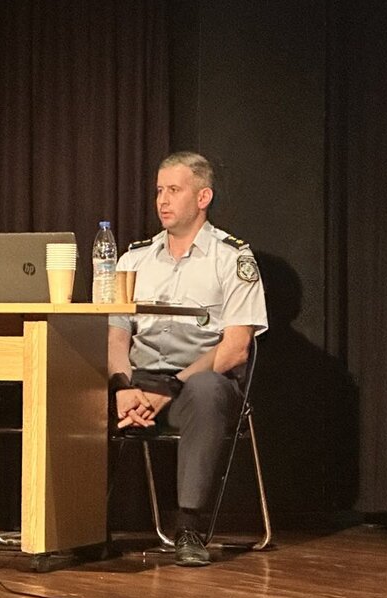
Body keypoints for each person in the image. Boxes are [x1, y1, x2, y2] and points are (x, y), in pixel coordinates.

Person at [108, 151, 268, 567]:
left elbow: (235, 348)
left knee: (206, 389)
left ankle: (189, 527)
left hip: (197, 386)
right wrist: (122, 387)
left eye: (174, 190)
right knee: (70, 388)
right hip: (138, 387)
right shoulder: (133, 259)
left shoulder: (232, 258)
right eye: (159, 190)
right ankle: (77, 527)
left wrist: (169, 386)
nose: (162, 200)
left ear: (203, 197)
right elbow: (116, 337)